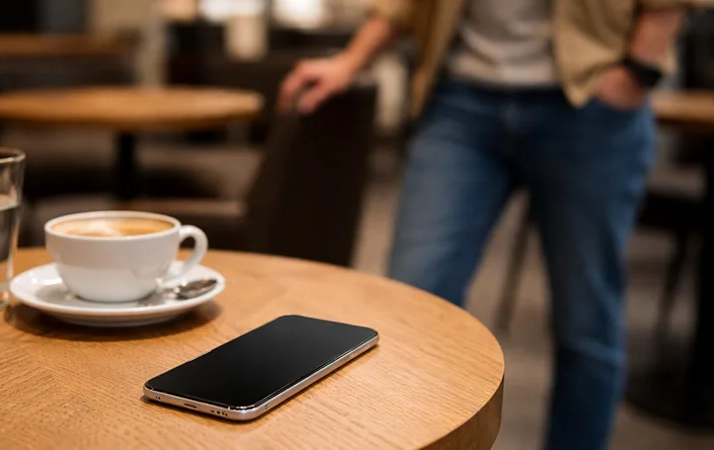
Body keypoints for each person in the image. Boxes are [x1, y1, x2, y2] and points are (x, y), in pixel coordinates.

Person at [278, 1, 709, 449]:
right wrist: (351, 60)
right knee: (413, 301)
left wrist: (637, 72)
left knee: (586, 322)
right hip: (462, 100)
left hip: (586, 103)